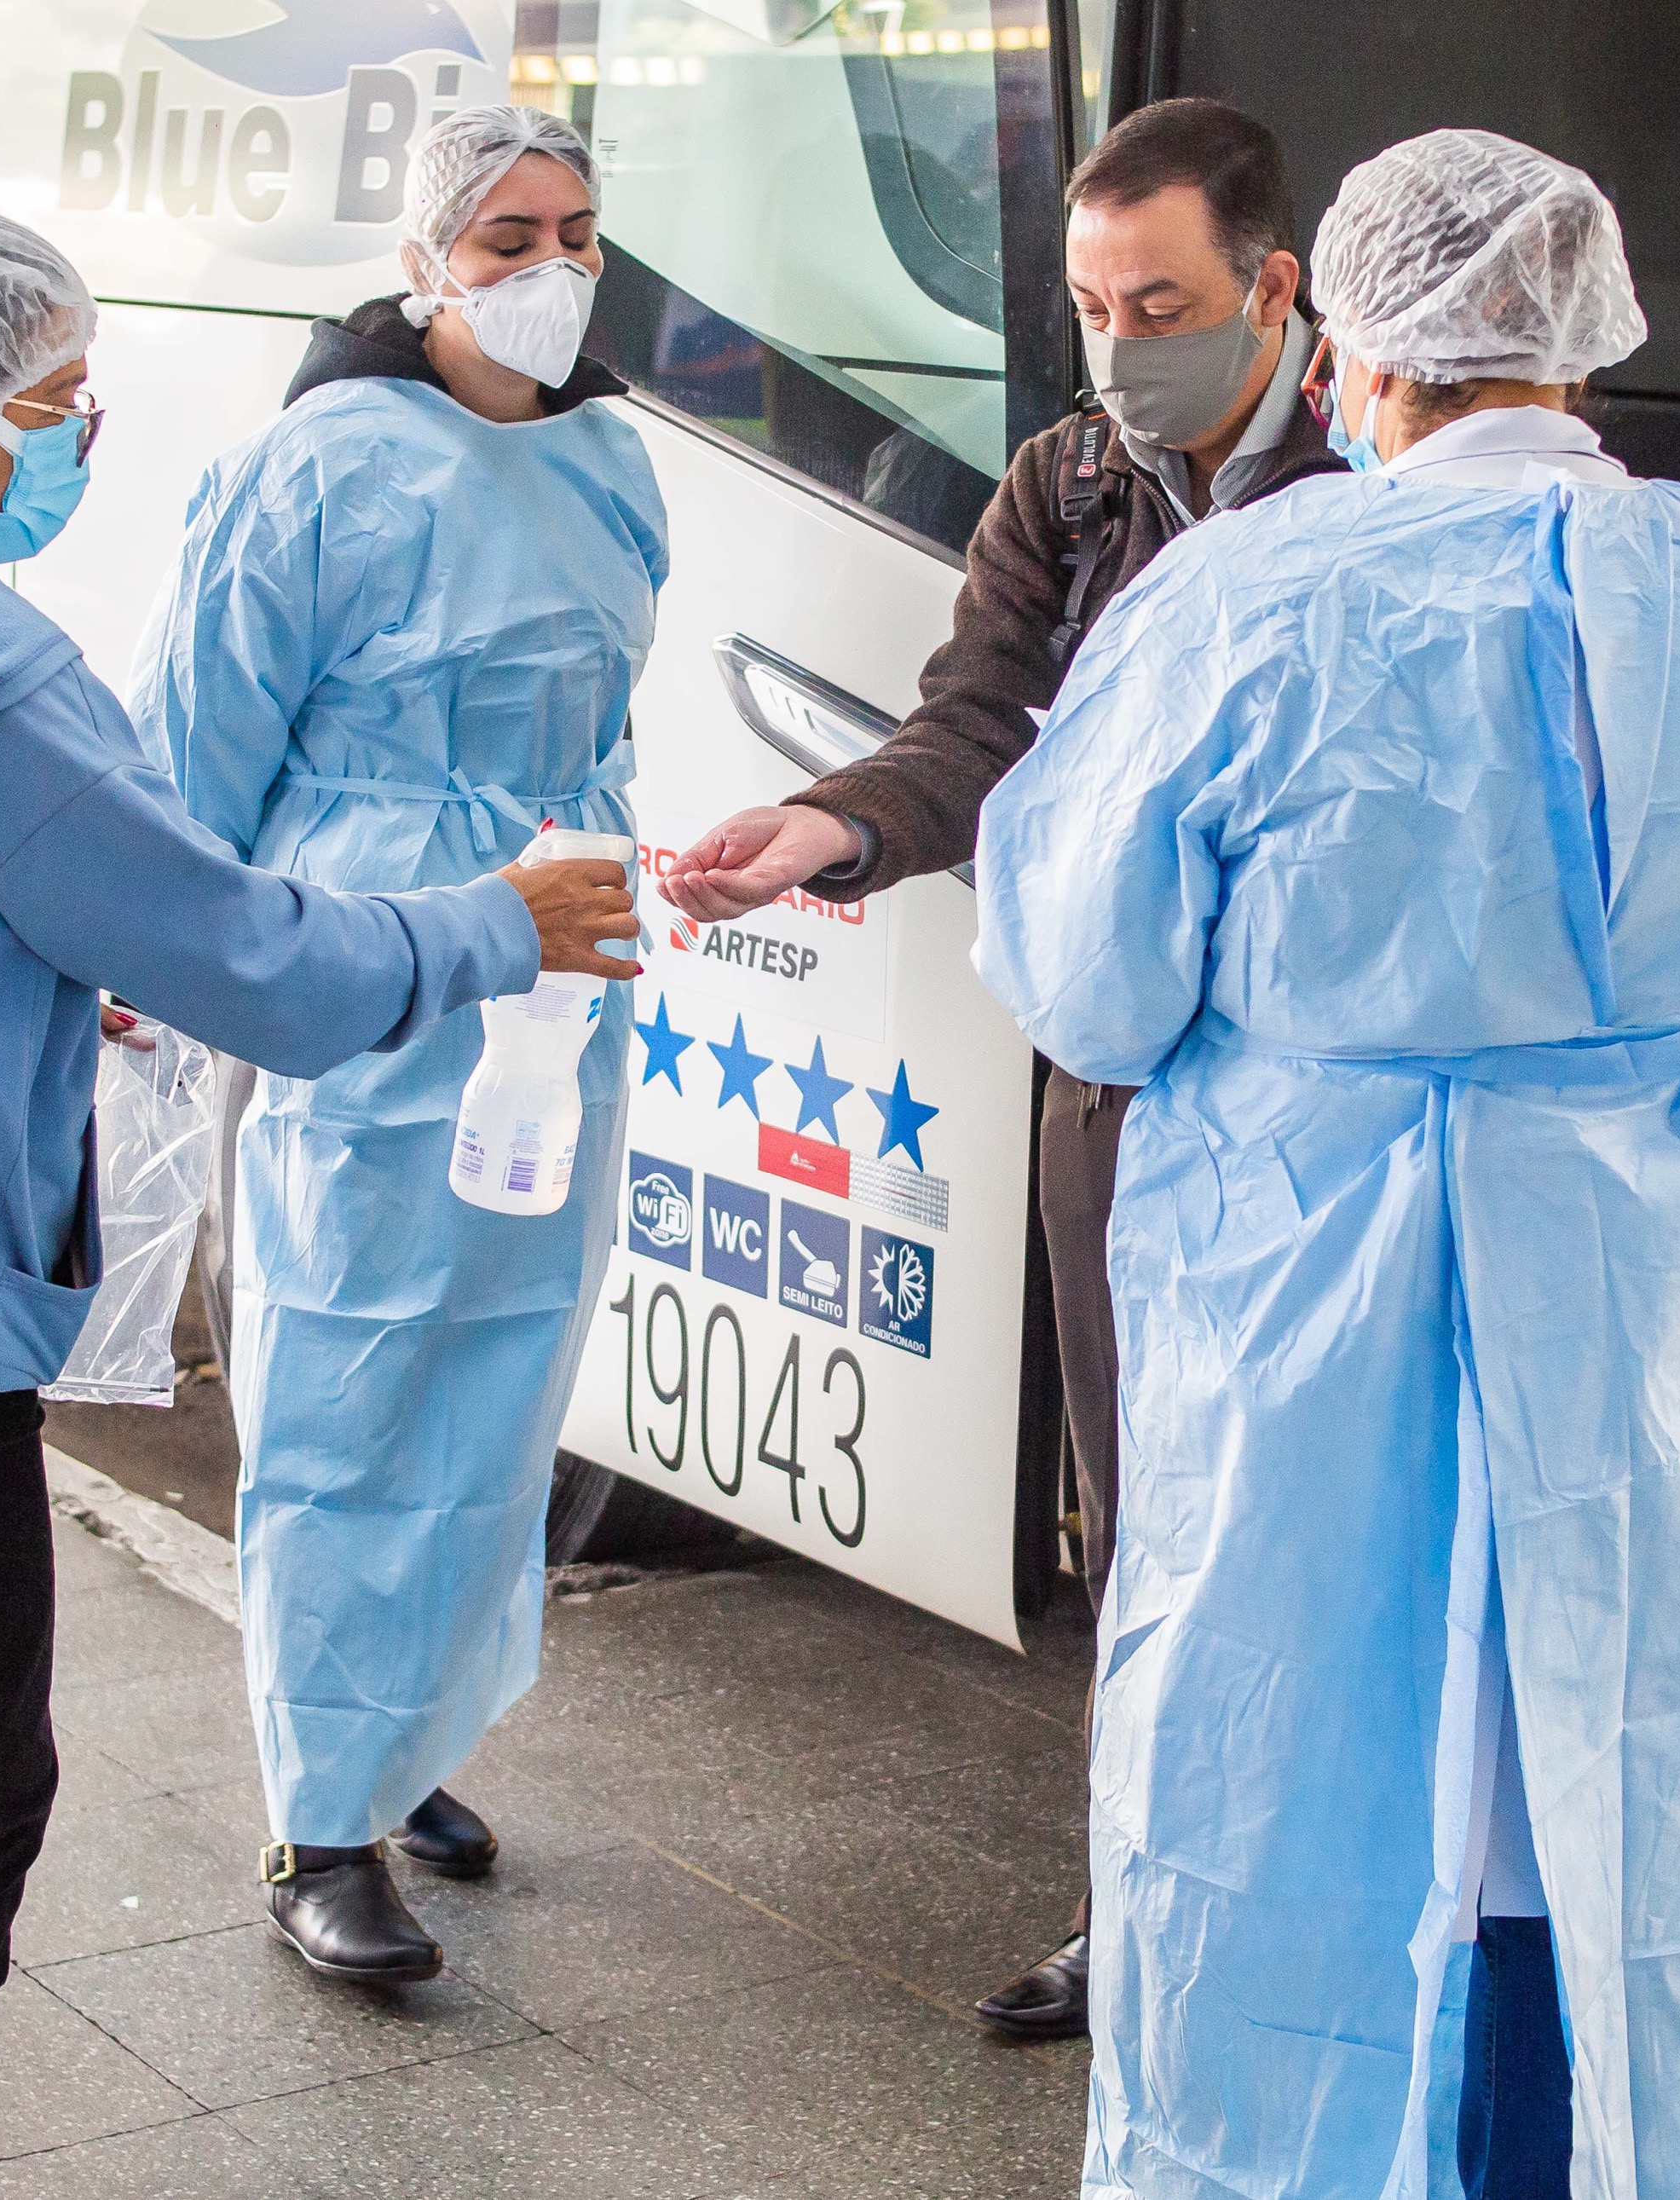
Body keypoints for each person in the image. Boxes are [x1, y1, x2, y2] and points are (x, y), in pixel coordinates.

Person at [0, 202, 637, 2200]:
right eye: (59, 405)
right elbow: (254, 962)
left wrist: (39, 963)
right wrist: (493, 926)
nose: (81, 439)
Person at [974, 131, 1680, 2198]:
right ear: (1582, 340)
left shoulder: (1249, 593)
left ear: (1351, 342)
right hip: (1611, 1285)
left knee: (1291, 1787)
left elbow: (1086, 980)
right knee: (1599, 1789)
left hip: (1305, 1294)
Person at [656, 95, 1338, 2042]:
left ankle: (1336, 1916)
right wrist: (833, 828)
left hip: (1335, 1098)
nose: (1121, 346)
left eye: (1162, 302)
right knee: (1137, 1514)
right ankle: (1144, 1908)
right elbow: (975, 726)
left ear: (1271, 290)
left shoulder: (1382, 473)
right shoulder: (1071, 480)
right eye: (1089, 304)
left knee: (1322, 1508)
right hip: (1122, 1098)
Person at [130, 105, 667, 1984]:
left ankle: (410, 1729)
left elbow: (598, 718)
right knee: (349, 1372)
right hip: (362, 970)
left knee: (501, 1369)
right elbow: (193, 751)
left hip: (553, 967)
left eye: (576, 233)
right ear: (425, 259)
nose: (547, 273)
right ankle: (316, 1816)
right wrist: (167, 953)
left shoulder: (612, 460)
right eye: (504, 236)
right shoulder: (313, 469)